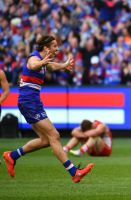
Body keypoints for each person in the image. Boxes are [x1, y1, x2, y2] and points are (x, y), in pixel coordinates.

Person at [2, 35, 93, 183]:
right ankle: (74, 172)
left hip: (33, 102)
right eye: (55, 46)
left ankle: (12, 156)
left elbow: (52, 66)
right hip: (29, 102)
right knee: (54, 135)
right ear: (46, 48)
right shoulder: (34, 57)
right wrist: (42, 62)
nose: (57, 49)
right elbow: (32, 65)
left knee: (45, 140)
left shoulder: (44, 61)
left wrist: (64, 65)